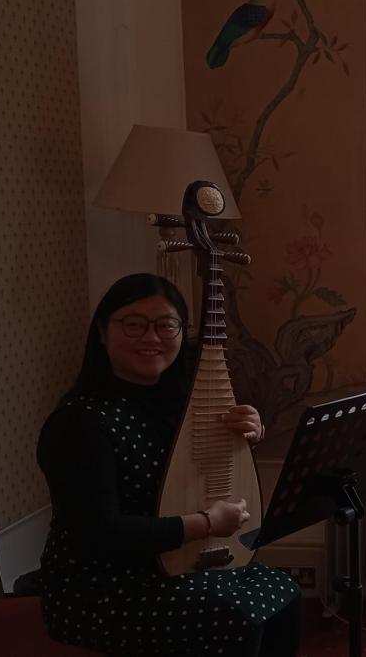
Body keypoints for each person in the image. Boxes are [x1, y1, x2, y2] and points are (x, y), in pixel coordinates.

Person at [37, 273, 301, 656]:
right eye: (134, 324)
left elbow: (191, 477)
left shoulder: (179, 403)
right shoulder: (79, 423)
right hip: (101, 587)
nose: (151, 337)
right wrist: (206, 524)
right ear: (101, 332)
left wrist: (248, 434)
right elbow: (101, 535)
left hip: (169, 563)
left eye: (166, 325)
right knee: (234, 615)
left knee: (284, 591)